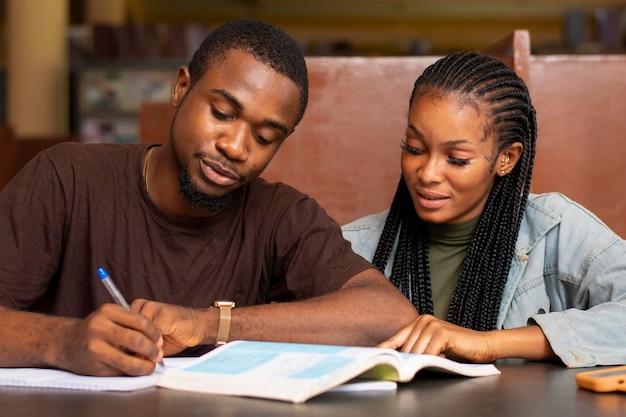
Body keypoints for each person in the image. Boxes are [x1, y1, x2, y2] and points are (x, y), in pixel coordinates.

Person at [0, 18, 417, 377]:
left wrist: (208, 324)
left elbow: (388, 313)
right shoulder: (68, 178)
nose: (236, 147)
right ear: (181, 88)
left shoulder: (282, 216)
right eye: (222, 114)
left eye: (264, 137)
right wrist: (63, 342)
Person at [342, 51, 626, 368]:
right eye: (414, 148)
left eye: (457, 159)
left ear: (506, 159)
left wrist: (488, 344)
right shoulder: (355, 246)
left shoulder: (556, 232)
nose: (428, 173)